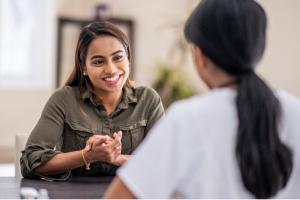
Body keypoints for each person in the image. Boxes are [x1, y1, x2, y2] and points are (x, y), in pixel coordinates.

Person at [104, 0, 300, 198]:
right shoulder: (295, 112)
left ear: (200, 55)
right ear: (259, 50)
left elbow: (118, 196)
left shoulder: (187, 119)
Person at [20, 21, 164, 181]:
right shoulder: (64, 100)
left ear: (128, 59)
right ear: (84, 67)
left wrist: (118, 158)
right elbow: (31, 161)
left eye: (118, 57)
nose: (111, 69)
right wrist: (86, 156)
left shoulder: (148, 100)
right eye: (98, 62)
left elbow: (165, 163)